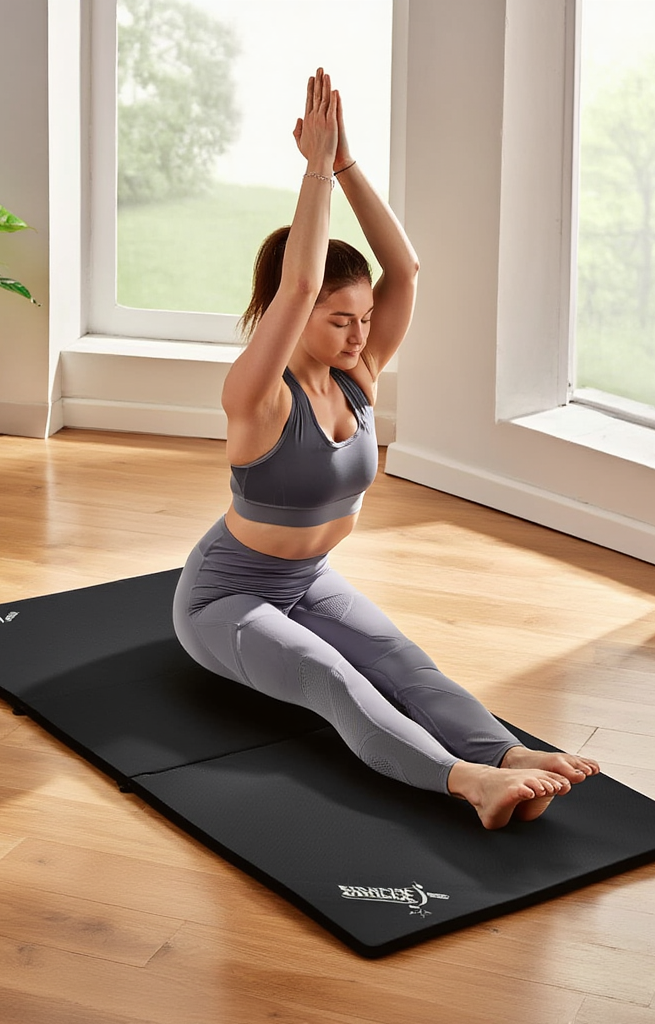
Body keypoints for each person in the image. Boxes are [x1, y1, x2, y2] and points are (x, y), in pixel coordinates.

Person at [173, 69, 599, 829]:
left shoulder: (359, 375)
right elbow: (299, 282)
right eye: (342, 319)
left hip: (309, 578)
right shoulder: (257, 397)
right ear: (293, 315)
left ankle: (506, 755)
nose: (362, 333)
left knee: (404, 662)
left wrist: (346, 165)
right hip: (225, 599)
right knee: (333, 679)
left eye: (366, 317)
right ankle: (468, 783)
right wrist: (311, 170)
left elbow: (404, 268)